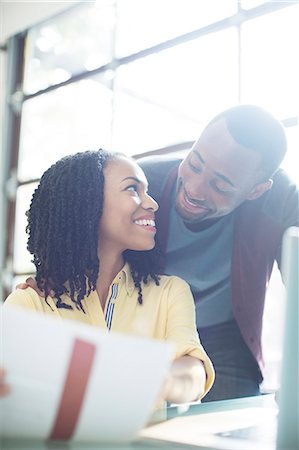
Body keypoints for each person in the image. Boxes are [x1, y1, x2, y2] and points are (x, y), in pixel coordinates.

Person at [2, 149, 214, 405]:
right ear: (86, 203)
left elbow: (194, 373)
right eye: (133, 189)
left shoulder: (170, 293)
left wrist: (146, 381)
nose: (152, 204)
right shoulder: (31, 302)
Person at [137, 104, 299, 402]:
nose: (195, 189)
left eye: (220, 185)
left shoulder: (282, 199)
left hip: (224, 333)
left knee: (232, 429)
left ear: (256, 190)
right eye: (195, 164)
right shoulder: (143, 181)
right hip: (142, 324)